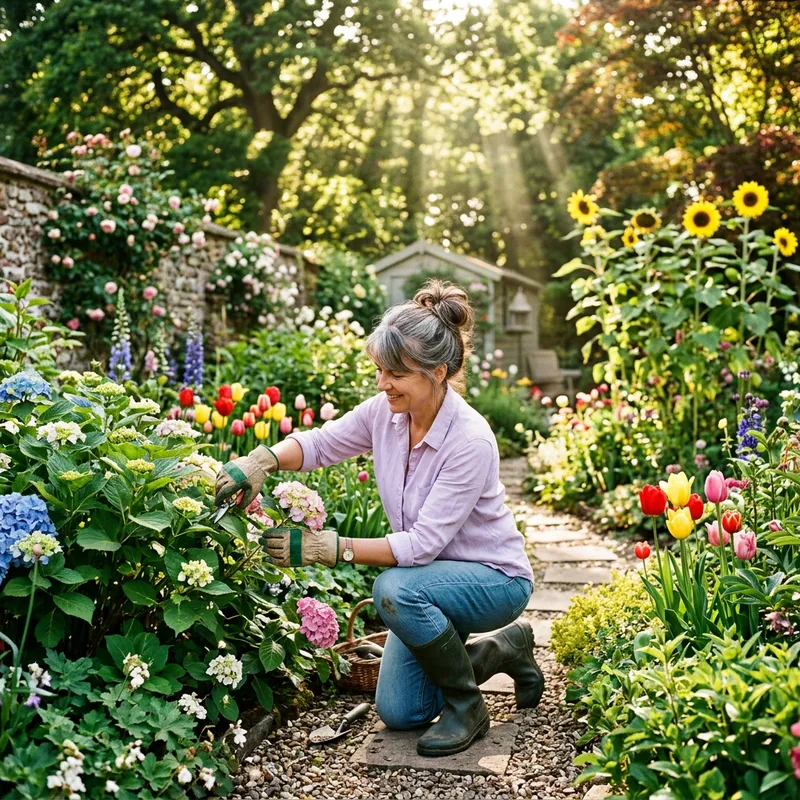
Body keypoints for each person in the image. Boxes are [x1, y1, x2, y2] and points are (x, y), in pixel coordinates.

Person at [214, 280, 543, 758]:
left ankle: (467, 706)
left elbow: (422, 546)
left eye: (396, 373)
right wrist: (262, 459)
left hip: (492, 581)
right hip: (430, 584)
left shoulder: (469, 439)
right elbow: (323, 443)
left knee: (393, 589)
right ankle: (502, 651)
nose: (383, 383)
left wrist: (328, 547)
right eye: (380, 370)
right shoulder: (385, 414)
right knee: (400, 711)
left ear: (439, 372)